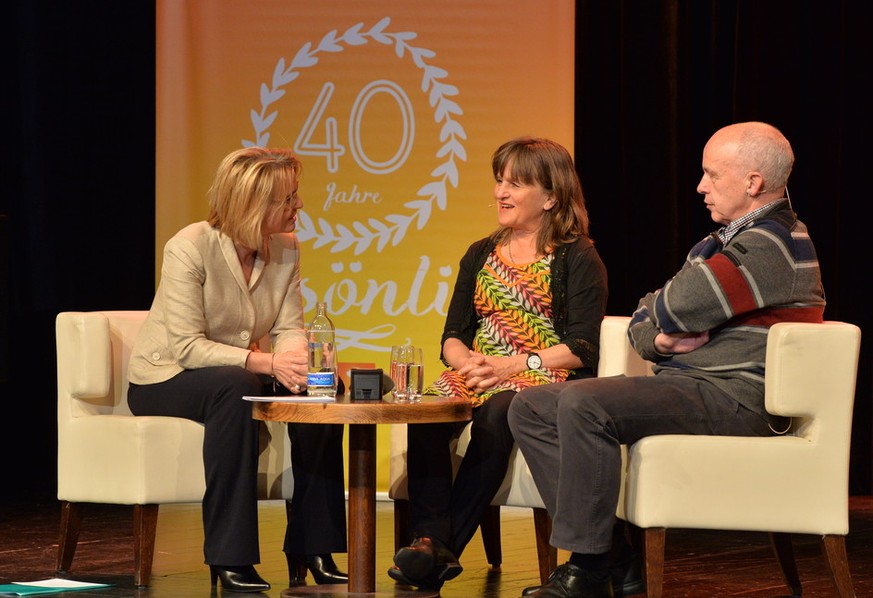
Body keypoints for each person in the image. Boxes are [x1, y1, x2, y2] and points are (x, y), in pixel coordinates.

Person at [507, 121, 826, 598]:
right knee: (530, 406)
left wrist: (657, 319)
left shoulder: (768, 244)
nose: (700, 186)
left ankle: (589, 568)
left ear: (753, 182)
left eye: (711, 174)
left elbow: (672, 304)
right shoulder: (723, 242)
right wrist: (656, 342)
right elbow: (649, 312)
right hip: (694, 385)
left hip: (736, 396)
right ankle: (614, 553)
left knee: (584, 404)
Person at [388, 136, 609, 591]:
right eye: (499, 181)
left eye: (516, 184)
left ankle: (436, 547)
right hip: (479, 370)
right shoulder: (481, 252)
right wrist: (466, 362)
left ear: (551, 197)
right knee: (427, 411)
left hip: (544, 374)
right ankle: (431, 540)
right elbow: (453, 334)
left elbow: (583, 347)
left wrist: (511, 365)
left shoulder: (577, 256)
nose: (500, 193)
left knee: (498, 410)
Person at [127, 147, 348, 592]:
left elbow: (289, 326)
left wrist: (294, 365)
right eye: (289, 199)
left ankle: (313, 545)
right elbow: (187, 348)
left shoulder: (285, 248)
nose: (298, 206)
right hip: (165, 377)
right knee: (236, 386)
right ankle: (231, 557)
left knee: (324, 384)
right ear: (254, 204)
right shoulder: (189, 247)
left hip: (238, 370)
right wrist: (268, 362)